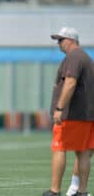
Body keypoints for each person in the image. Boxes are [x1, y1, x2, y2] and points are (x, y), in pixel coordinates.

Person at [42, 26, 94, 196]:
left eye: (61, 40)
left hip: (71, 114)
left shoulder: (74, 57)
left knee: (59, 148)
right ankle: (82, 191)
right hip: (85, 114)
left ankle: (55, 190)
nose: (58, 44)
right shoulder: (85, 57)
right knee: (83, 152)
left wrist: (59, 107)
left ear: (71, 41)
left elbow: (70, 83)